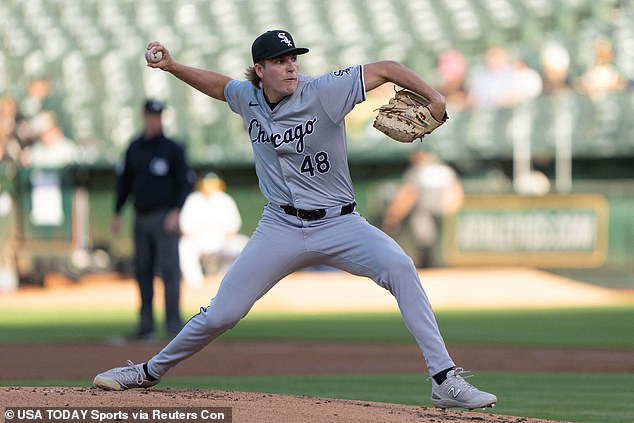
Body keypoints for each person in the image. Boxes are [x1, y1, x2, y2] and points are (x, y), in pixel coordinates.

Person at [94, 30, 497, 410]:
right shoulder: (246, 97)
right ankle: (147, 371)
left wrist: (435, 96)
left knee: (399, 266)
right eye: (279, 60)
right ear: (259, 71)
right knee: (222, 314)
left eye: (293, 59)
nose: (291, 67)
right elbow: (219, 86)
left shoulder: (324, 91)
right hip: (280, 227)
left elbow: (388, 67)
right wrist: (173, 66)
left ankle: (444, 379)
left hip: (340, 223)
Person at [112, 99, 193, 340]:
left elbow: (185, 184)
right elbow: (124, 183)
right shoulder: (134, 148)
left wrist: (176, 212)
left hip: (164, 216)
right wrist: (117, 212)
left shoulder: (172, 149)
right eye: (151, 116)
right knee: (143, 271)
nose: (154, 120)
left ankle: (172, 325)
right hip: (141, 216)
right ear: (144, 117)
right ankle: (146, 326)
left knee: (169, 271)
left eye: (158, 116)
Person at [382, 151, 464, 268]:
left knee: (424, 239)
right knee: (435, 239)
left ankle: (429, 265)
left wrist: (395, 214)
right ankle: (436, 264)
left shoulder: (417, 171)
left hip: (424, 210)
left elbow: (409, 194)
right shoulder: (445, 170)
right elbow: (456, 190)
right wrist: (452, 205)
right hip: (442, 209)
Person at [178, 172, 248, 285]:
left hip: (221, 242)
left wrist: (226, 241)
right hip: (198, 242)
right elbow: (185, 229)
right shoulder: (193, 199)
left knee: (242, 244)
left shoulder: (225, 200)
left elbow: (232, 229)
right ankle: (195, 283)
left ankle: (225, 279)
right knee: (184, 245)